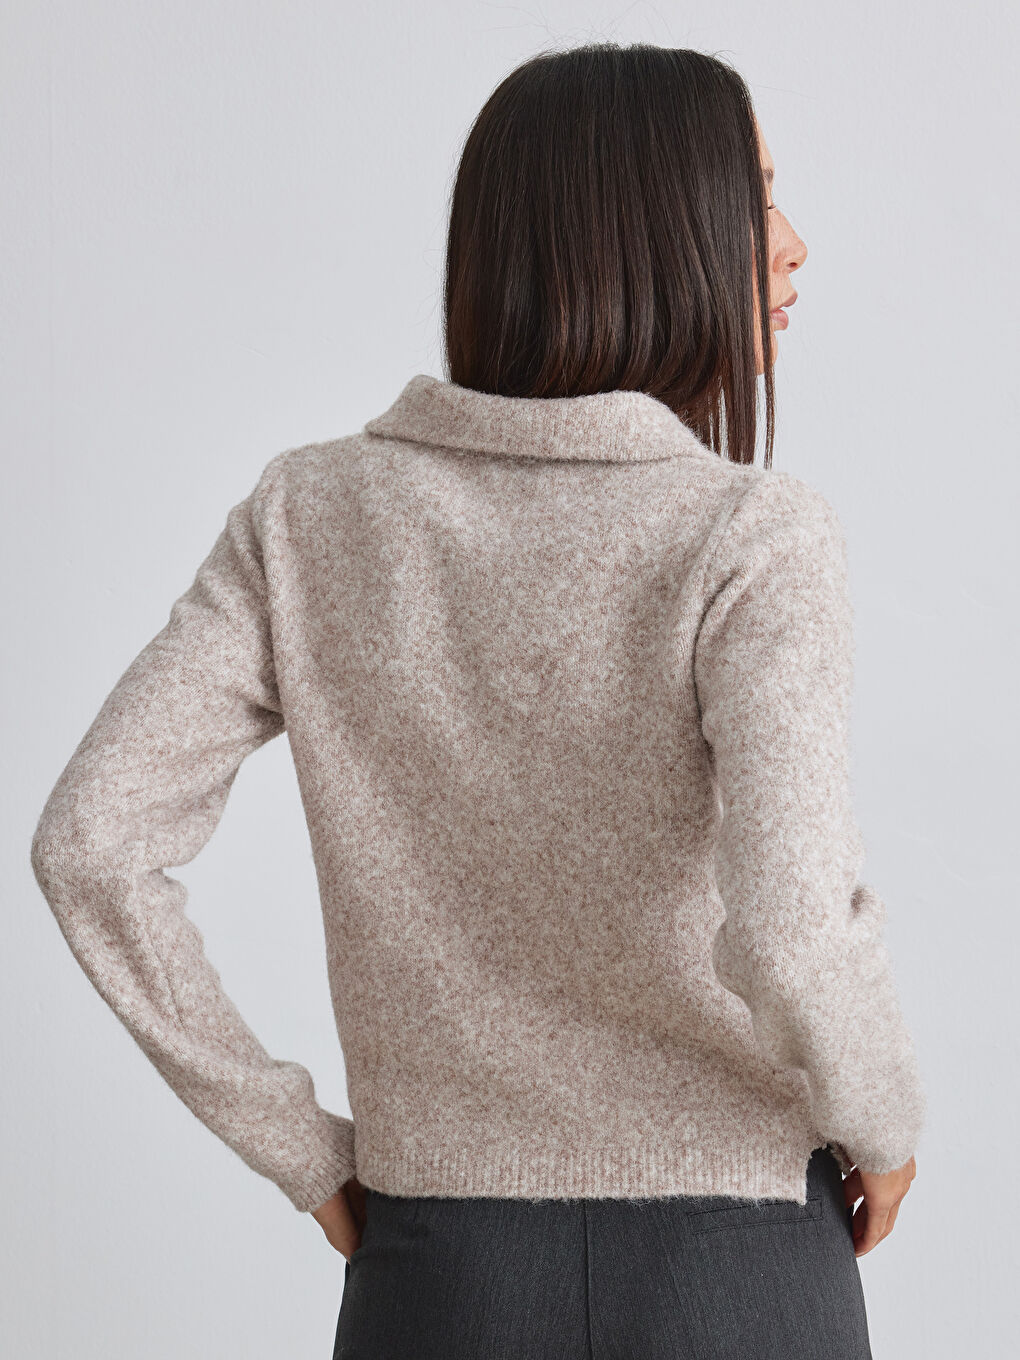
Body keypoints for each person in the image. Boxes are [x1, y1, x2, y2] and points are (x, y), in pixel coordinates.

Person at [30, 42, 924, 1360]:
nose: (791, 247)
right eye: (759, 201)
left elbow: (90, 841)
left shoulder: (312, 516)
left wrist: (302, 1151)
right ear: (654, 236)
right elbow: (792, 926)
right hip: (736, 1269)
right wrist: (885, 1121)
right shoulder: (750, 532)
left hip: (438, 1277)